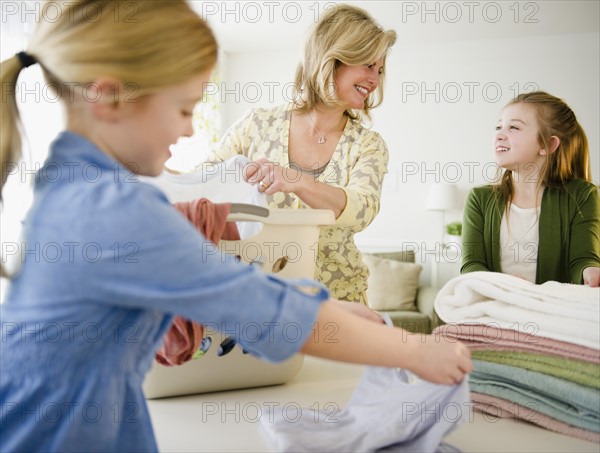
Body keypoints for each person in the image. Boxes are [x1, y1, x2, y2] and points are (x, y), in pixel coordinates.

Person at [0, 1, 470, 451]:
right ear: (107, 96)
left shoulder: (67, 185)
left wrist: (329, 312)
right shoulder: (114, 210)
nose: (187, 130)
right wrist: (413, 350)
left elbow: (244, 293)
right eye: (185, 109)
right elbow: (255, 308)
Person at [198, 4, 396, 304]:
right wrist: (237, 176)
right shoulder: (257, 124)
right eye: (368, 65)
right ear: (333, 59)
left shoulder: (368, 145)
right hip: (256, 298)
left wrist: (298, 181)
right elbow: (203, 181)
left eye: (380, 70)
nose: (375, 79)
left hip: (337, 301)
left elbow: (362, 209)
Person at [461, 91, 600, 287]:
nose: (499, 135)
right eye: (499, 126)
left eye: (514, 127)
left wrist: (591, 272)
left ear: (547, 144)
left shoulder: (582, 195)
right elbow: (471, 265)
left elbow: (583, 259)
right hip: (494, 307)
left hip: (551, 310)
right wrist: (503, 285)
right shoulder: (479, 199)